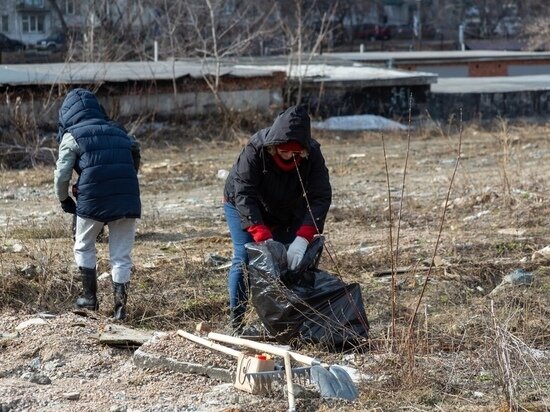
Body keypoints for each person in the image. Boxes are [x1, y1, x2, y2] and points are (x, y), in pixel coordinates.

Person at [223, 105, 332, 334]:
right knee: (244, 256)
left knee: (289, 261)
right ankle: (237, 320)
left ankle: (284, 321)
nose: (288, 156)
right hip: (243, 204)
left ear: (303, 151)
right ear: (274, 146)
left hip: (285, 209)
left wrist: (303, 238)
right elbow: (244, 193)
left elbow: (320, 196)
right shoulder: (255, 149)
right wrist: (261, 234)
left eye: (295, 154)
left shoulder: (313, 155)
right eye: (283, 151)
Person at [54, 88, 141, 321]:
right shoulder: (119, 130)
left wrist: (64, 199)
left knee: (83, 245)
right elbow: (135, 152)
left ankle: (89, 299)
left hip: (92, 197)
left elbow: (62, 174)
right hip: (127, 197)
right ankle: (120, 309)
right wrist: (125, 179)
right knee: (121, 255)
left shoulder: (71, 135)